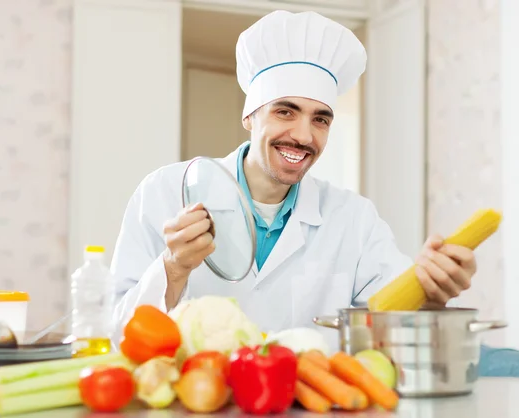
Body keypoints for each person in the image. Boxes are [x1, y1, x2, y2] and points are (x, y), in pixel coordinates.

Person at [109, 10, 477, 351]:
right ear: (250, 117)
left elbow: (389, 332)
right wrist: (173, 269)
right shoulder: (162, 193)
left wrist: (432, 292)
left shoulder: (355, 219)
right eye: (285, 111)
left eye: (320, 119)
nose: (303, 136)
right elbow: (116, 334)